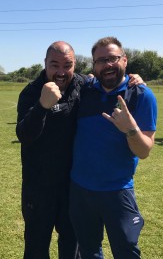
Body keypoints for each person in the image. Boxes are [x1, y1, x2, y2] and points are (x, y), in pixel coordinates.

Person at [16, 40, 143, 259]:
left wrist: (134, 78)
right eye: (54, 65)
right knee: (36, 247)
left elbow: (110, 77)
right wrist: (42, 106)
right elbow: (24, 135)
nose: (61, 72)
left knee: (72, 247)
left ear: (75, 65)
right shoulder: (31, 92)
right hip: (38, 188)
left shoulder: (82, 85)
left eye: (68, 65)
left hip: (72, 187)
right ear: (45, 64)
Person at [69, 37, 157, 259]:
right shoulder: (86, 89)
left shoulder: (141, 95)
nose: (107, 64)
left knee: (126, 251)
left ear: (125, 60)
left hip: (117, 191)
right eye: (100, 60)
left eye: (113, 58)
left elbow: (144, 151)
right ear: (94, 66)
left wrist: (131, 129)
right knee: (89, 250)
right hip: (80, 190)